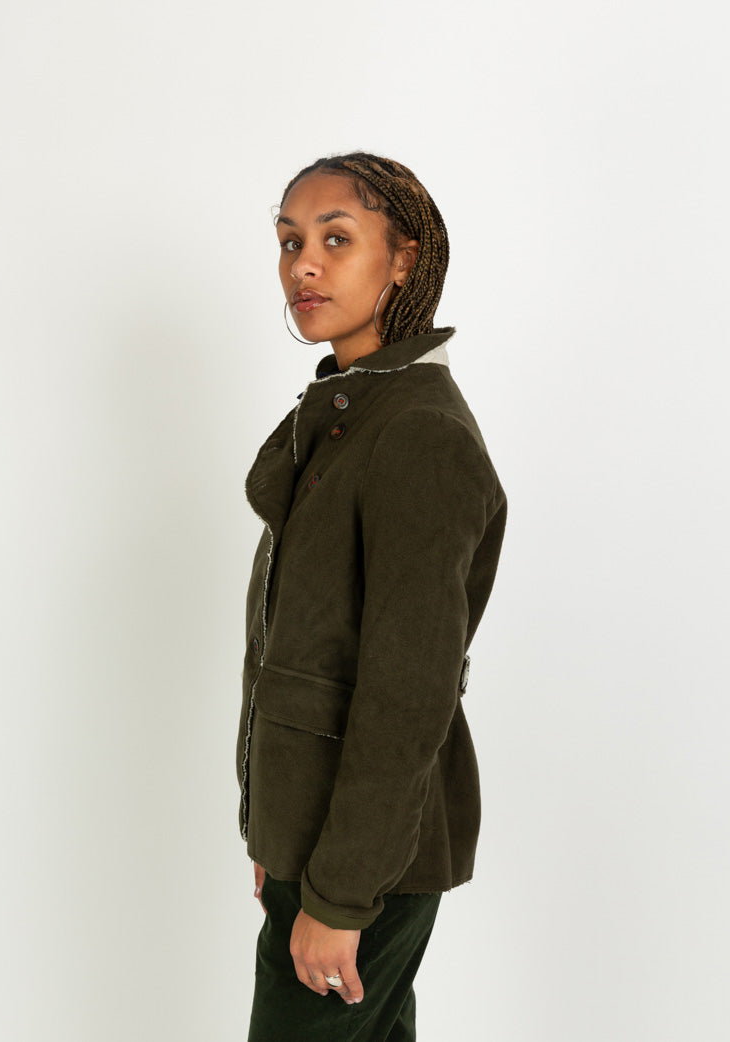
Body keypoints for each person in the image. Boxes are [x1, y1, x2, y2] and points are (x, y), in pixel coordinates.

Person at [237, 152, 507, 1041]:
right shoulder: (351, 414)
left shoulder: (418, 432)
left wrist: (341, 895)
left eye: (336, 239)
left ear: (403, 258)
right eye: (290, 241)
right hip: (318, 845)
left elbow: (407, 692)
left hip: (364, 867)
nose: (303, 266)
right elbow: (301, 650)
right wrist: (276, 835)